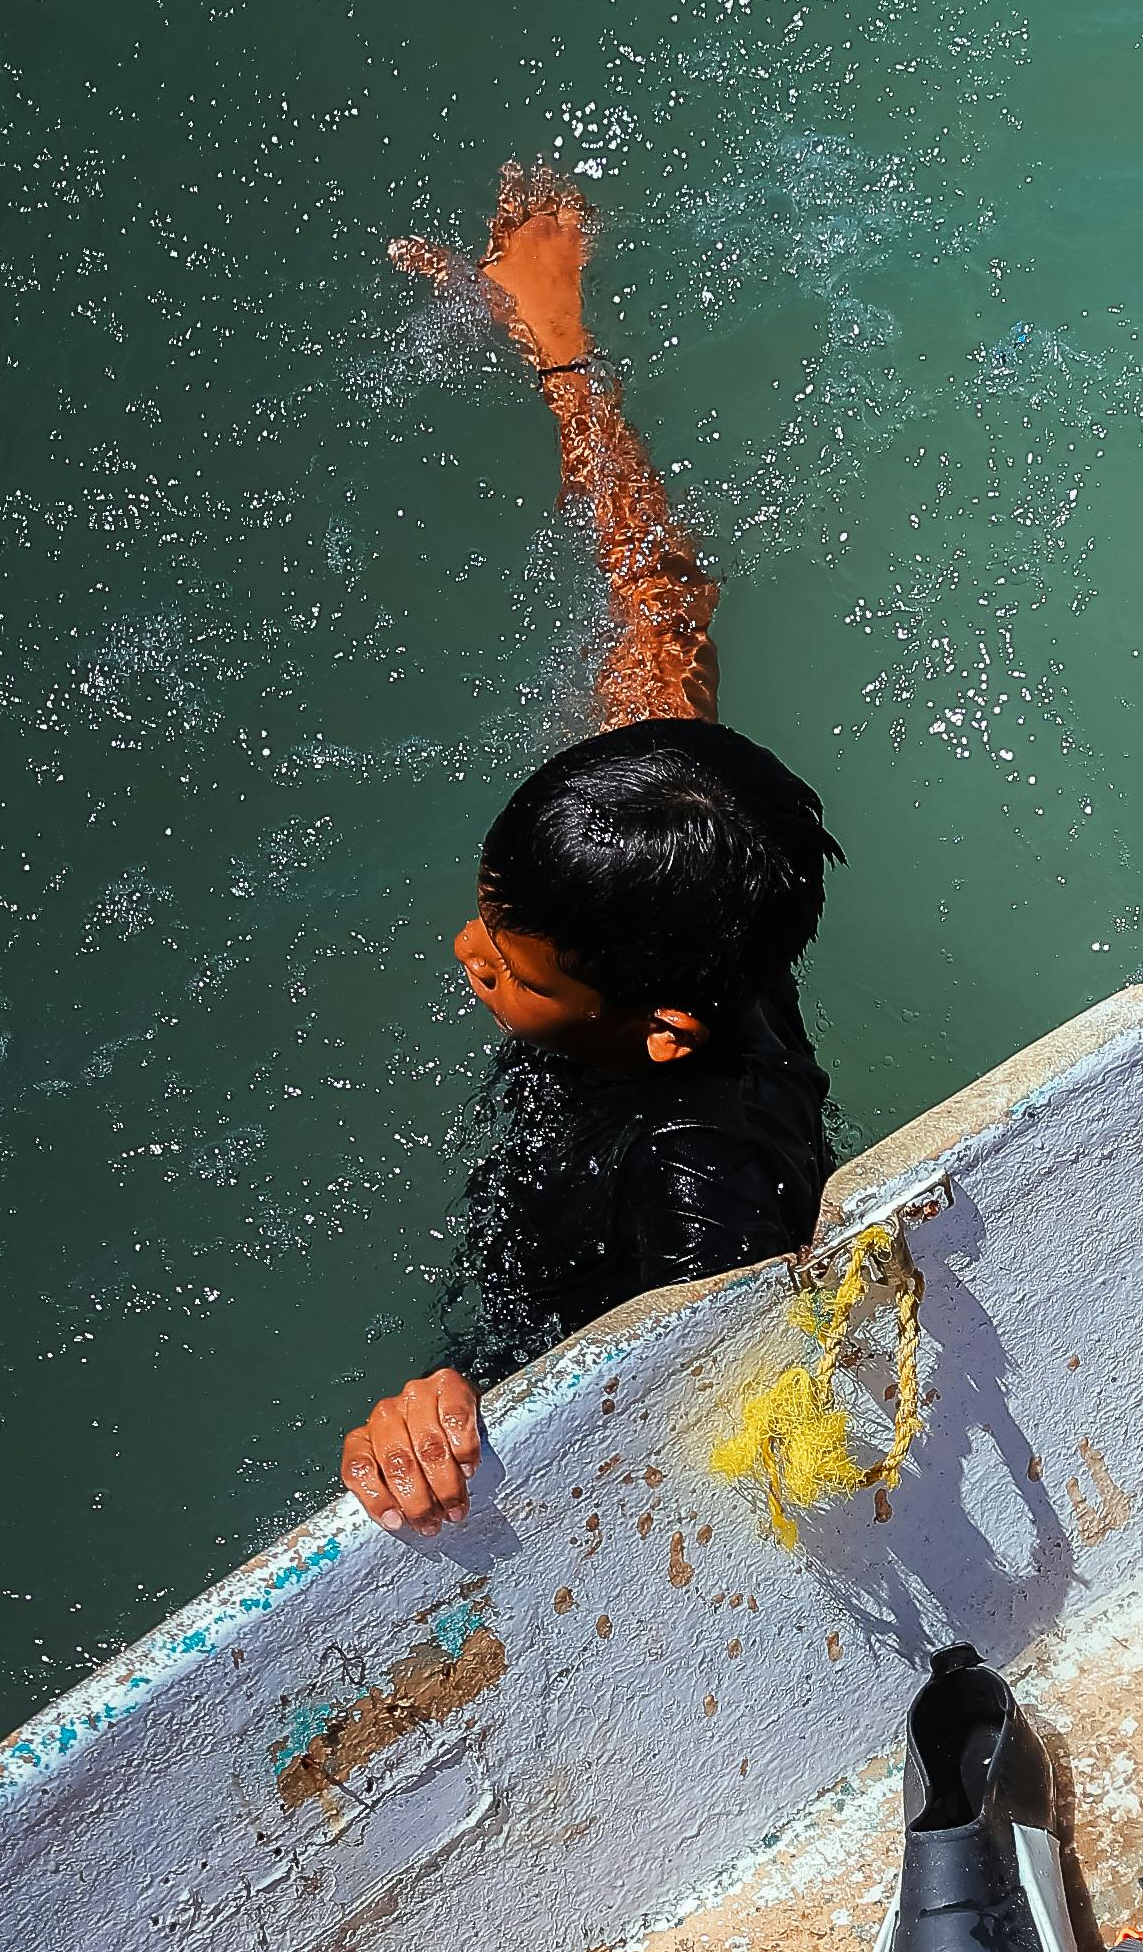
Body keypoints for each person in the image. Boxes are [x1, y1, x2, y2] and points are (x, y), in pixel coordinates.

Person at [338, 169, 837, 1529]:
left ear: (662, 1028)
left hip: (575, 1290)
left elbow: (687, 1421)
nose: (464, 950)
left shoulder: (697, 1190)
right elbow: (660, 591)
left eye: (505, 961)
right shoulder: (686, 845)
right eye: (489, 912)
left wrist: (452, 1409)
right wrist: (560, 339)